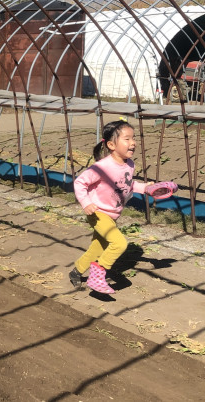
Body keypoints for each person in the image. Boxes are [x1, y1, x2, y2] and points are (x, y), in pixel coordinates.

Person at [70, 120, 153, 294]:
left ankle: (76, 271)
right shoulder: (102, 167)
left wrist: (145, 188)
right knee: (119, 243)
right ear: (111, 145)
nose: (133, 143)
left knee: (98, 247)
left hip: (112, 215)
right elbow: (80, 183)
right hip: (98, 213)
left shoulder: (129, 165)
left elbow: (128, 185)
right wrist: (86, 203)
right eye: (127, 139)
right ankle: (97, 276)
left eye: (133, 138)